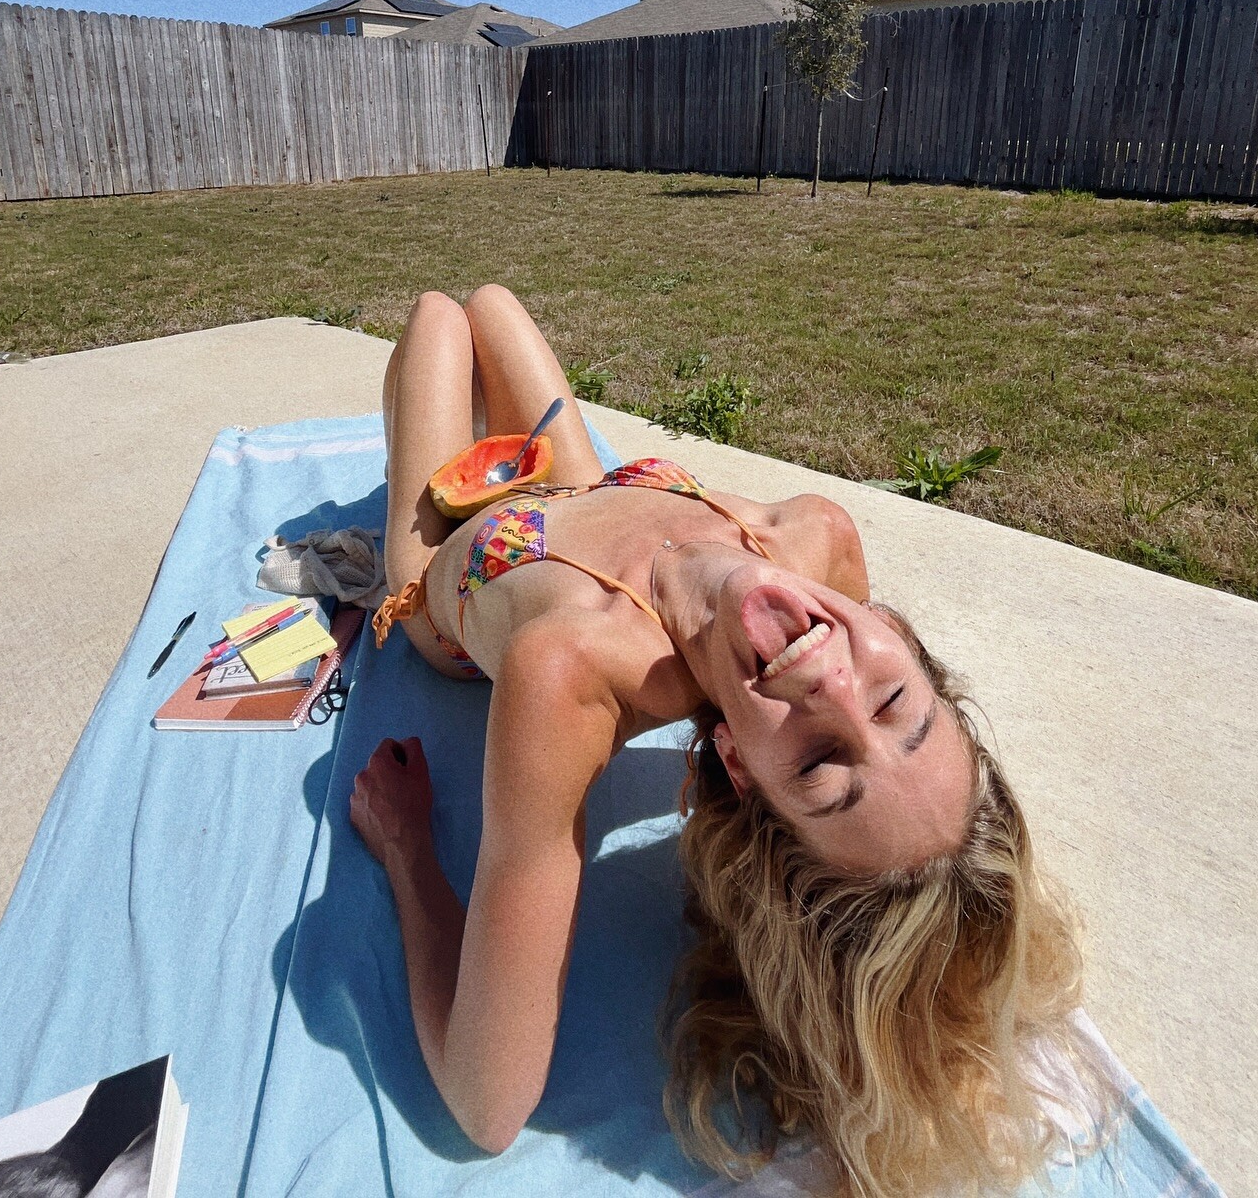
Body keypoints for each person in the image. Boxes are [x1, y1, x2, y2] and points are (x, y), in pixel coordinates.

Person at [350, 286, 1109, 1197]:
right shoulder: (819, 539)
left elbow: (487, 1105)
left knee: (438, 318)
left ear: (740, 768)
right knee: (493, 304)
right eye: (896, 704)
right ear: (903, 638)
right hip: (580, 487)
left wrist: (408, 850)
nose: (832, 683)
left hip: (459, 562)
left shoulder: (570, 673)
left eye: (821, 764)